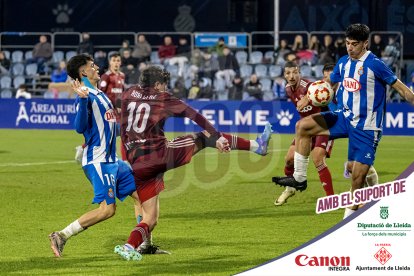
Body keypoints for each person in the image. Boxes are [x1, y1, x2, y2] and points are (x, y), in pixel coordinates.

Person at [114, 66, 273, 260]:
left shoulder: (128, 94)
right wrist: (217, 137)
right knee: (205, 137)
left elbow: (122, 130)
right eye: (164, 84)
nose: (165, 88)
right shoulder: (163, 98)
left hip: (137, 163)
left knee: (150, 218)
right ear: (156, 84)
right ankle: (258, 146)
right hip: (160, 155)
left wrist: (126, 157)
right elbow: (194, 115)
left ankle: (129, 246)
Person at [272, 24, 414, 218]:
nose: (349, 48)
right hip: (343, 116)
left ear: (365, 43)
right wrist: (310, 96)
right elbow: (329, 83)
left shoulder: (376, 64)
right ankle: (299, 178)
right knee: (302, 126)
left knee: (355, 176)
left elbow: (402, 89)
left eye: (354, 44)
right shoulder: (343, 62)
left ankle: (349, 219)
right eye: (347, 43)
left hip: (366, 127)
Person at [48, 54, 140, 257]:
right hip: (98, 162)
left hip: (113, 159)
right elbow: (79, 127)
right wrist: (81, 101)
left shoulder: (100, 94)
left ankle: (144, 244)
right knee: (108, 210)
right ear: (83, 72)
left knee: (142, 194)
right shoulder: (86, 95)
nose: (97, 67)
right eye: (92, 66)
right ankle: (61, 235)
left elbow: (107, 127)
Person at [273, 61, 335, 206]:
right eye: (288, 73)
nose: (292, 76)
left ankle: (331, 199)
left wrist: (310, 97)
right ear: (284, 75)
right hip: (305, 130)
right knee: (289, 160)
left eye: (295, 72)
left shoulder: (309, 87)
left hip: (321, 127)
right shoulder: (288, 89)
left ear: (300, 72)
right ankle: (290, 189)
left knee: (318, 159)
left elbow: (323, 88)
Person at [322, 63, 379, 187]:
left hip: (359, 125)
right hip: (345, 126)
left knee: (360, 165)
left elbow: (340, 113)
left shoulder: (346, 89)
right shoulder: (324, 93)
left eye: (331, 76)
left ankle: (374, 193)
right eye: (325, 77)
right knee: (354, 165)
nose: (329, 80)